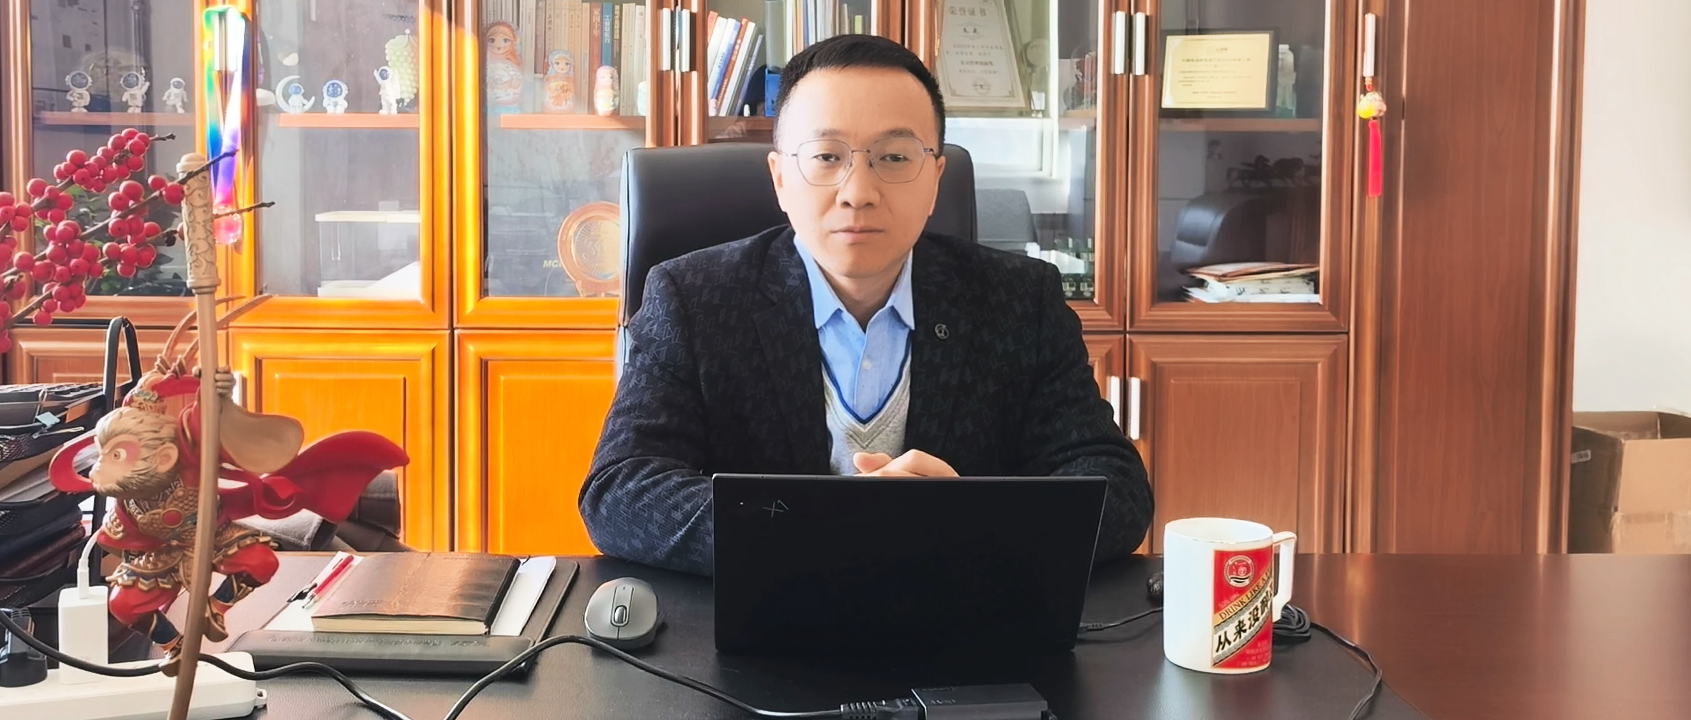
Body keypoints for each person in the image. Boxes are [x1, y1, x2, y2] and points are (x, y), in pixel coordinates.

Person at [581, 34, 1153, 576]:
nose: (858, 192)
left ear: (935, 179)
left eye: (895, 158)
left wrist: (966, 521)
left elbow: (1117, 489)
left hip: (961, 620)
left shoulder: (1020, 301)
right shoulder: (693, 298)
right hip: (762, 625)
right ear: (780, 179)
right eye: (826, 157)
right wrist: (828, 528)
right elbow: (621, 491)